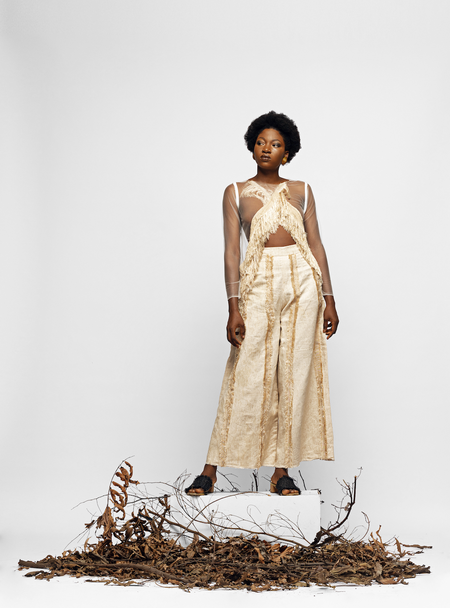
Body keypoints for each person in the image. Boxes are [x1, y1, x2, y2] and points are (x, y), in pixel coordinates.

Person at [186, 111, 339, 496]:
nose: (266, 149)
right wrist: (233, 306)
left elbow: (316, 244)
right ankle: (210, 470)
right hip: (258, 280)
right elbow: (231, 251)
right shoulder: (236, 192)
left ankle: (280, 471)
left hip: (302, 280)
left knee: (294, 372)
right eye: (260, 142)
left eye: (275, 144)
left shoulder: (302, 190)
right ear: (251, 147)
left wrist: (329, 298)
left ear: (287, 153)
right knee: (245, 372)